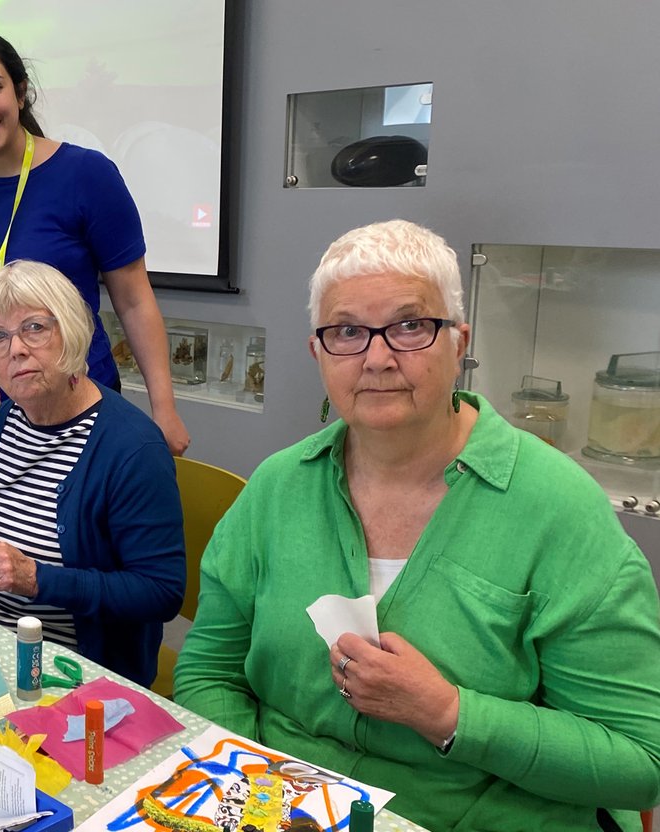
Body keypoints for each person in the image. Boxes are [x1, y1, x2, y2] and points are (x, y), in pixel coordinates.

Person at [173, 220, 660, 831]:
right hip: (282, 802)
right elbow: (209, 674)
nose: (377, 358)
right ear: (318, 353)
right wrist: (255, 800)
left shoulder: (558, 510)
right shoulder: (277, 488)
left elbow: (639, 762)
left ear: (459, 343)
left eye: (410, 326)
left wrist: (448, 714)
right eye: (347, 331)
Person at [0, 30, 189, 490]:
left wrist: (165, 408)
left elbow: (135, 301)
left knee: (76, 534)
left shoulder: (88, 175)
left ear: (20, 92)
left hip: (75, 410)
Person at [0, 260, 185, 686]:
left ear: (72, 332)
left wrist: (37, 579)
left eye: (35, 328)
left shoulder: (133, 449)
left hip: (70, 673)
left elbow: (160, 592)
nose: (17, 349)